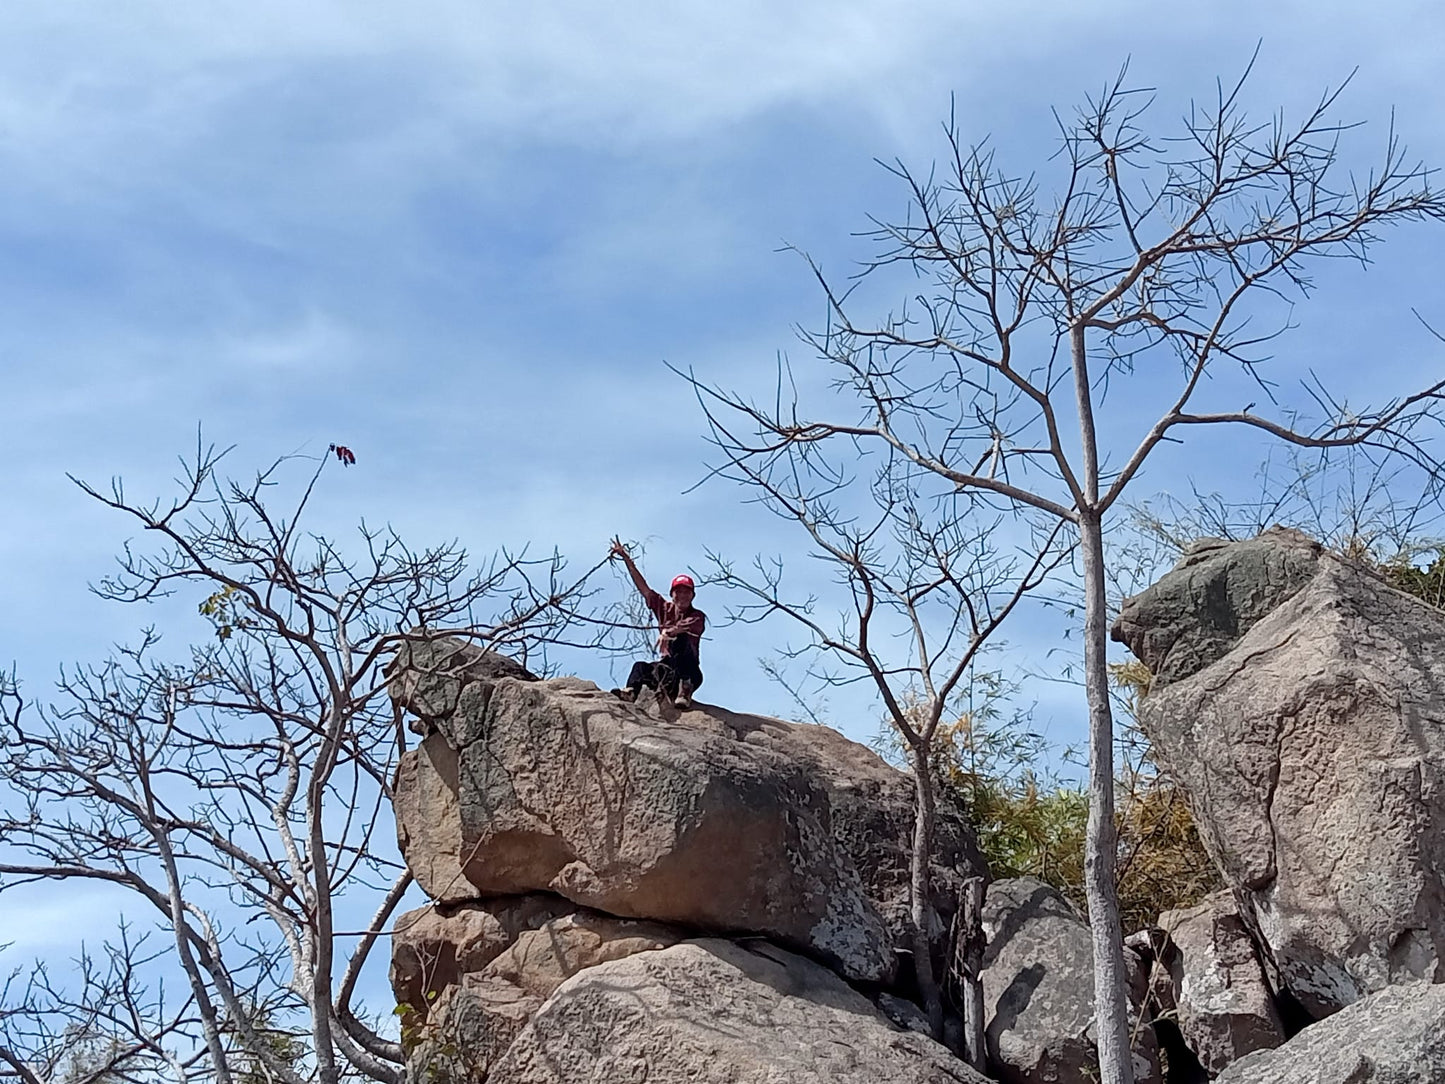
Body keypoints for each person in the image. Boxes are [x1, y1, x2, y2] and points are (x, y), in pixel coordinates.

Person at [608, 538, 705, 709]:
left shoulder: (697, 616)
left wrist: (667, 633)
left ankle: (685, 689)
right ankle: (630, 692)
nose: (682, 596)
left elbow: (684, 628)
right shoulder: (664, 608)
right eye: (678, 592)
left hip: (690, 672)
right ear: (672, 594)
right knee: (640, 667)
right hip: (668, 672)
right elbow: (643, 588)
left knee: (680, 641)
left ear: (692, 596)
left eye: (686, 592)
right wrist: (626, 559)